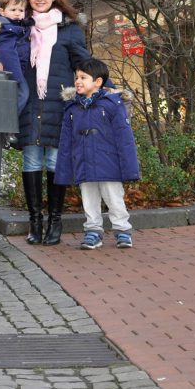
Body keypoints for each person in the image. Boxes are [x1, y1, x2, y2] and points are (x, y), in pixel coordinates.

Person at [17, 0, 92, 246]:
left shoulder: (69, 29)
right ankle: (35, 222)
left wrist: (105, 85)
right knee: (32, 162)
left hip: (58, 105)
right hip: (28, 105)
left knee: (53, 163)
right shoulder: (20, 28)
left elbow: (84, 63)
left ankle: (55, 220)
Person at [54, 58, 139, 250]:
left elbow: (124, 138)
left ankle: (122, 230)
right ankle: (93, 231)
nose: (77, 81)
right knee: (89, 199)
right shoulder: (72, 108)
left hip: (109, 162)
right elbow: (65, 141)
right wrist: (64, 169)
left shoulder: (112, 105)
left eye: (83, 77)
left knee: (114, 198)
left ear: (98, 82)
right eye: (76, 77)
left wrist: (130, 168)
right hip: (83, 162)